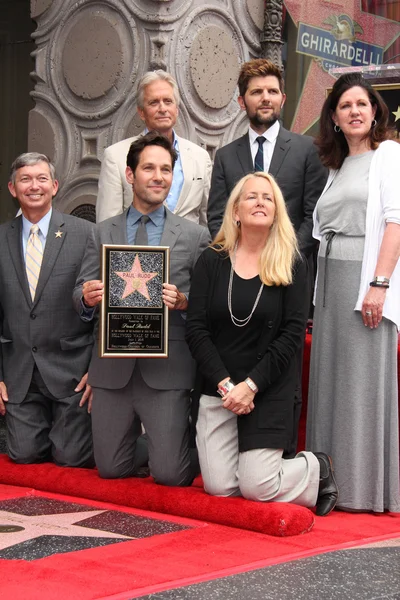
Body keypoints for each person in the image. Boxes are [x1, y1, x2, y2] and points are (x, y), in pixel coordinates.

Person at [186, 172, 338, 515]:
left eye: (268, 198)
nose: (260, 202)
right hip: (219, 389)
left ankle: (316, 468)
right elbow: (196, 330)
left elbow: (292, 335)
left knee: (257, 487)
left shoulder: (292, 262)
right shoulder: (212, 260)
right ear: (236, 211)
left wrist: (251, 386)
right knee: (220, 487)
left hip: (267, 389)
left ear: (277, 211)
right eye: (251, 196)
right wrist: (227, 386)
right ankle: (256, 465)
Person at [74, 132, 210, 485]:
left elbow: (208, 305)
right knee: (110, 469)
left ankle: (185, 448)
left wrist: (184, 301)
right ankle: (157, 445)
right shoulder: (100, 232)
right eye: (149, 168)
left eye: (166, 169)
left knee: (170, 474)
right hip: (113, 370)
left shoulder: (194, 236)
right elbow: (78, 293)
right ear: (130, 175)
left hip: (166, 369)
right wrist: (87, 298)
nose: (158, 176)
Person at [207, 59, 327, 457]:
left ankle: (282, 455)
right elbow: (216, 216)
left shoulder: (308, 150)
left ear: (283, 98)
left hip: (285, 279)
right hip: (235, 284)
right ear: (242, 101)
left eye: (272, 91)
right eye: (256, 92)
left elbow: (314, 215)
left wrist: (281, 256)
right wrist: (240, 259)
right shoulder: (225, 156)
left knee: (281, 360)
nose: (265, 98)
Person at [306, 73, 400, 513]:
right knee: (330, 381)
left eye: (362, 103)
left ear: (376, 111)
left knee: (360, 386)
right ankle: (327, 482)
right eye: (345, 106)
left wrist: (378, 286)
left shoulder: (390, 155)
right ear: (335, 118)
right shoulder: (334, 166)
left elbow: (397, 223)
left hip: (363, 280)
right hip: (329, 280)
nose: (355, 111)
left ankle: (363, 490)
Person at [0, 153, 94, 467]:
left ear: (54, 186)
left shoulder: (85, 234)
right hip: (19, 372)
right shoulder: (1, 239)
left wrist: (98, 370)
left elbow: (98, 305)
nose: (34, 186)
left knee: (72, 458)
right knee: (23, 455)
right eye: (25, 179)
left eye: (42, 179)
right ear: (12, 188)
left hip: (72, 371)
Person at [96, 70, 212, 226]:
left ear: (176, 110)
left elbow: (208, 220)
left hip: (189, 248)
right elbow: (107, 224)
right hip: (138, 247)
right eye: (154, 102)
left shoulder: (200, 157)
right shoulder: (116, 156)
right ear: (142, 112)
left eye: (168, 101)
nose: (162, 108)